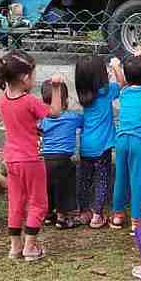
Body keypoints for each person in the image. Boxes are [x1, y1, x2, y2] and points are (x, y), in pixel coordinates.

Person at [0, 52, 64, 260]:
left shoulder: (3, 101)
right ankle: (30, 247)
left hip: (11, 159)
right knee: (38, 203)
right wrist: (56, 87)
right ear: (25, 78)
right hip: (30, 159)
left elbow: (20, 125)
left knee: (16, 201)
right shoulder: (29, 101)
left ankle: (15, 246)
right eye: (33, 75)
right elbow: (55, 112)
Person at [110, 55, 141, 231]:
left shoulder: (123, 92)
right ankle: (137, 219)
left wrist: (116, 65)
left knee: (120, 178)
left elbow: (121, 81)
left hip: (122, 140)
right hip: (139, 141)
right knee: (138, 179)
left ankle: (117, 215)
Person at [74, 55, 121, 228]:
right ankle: (97, 215)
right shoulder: (107, 92)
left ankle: (83, 212)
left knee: (84, 180)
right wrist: (116, 66)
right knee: (102, 179)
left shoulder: (84, 96)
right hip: (103, 146)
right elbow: (122, 84)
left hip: (86, 145)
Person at [38, 78, 84, 230]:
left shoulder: (43, 120)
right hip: (63, 159)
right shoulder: (72, 117)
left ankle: (48, 215)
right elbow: (83, 121)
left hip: (45, 159)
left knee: (47, 187)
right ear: (64, 99)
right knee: (64, 188)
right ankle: (62, 218)